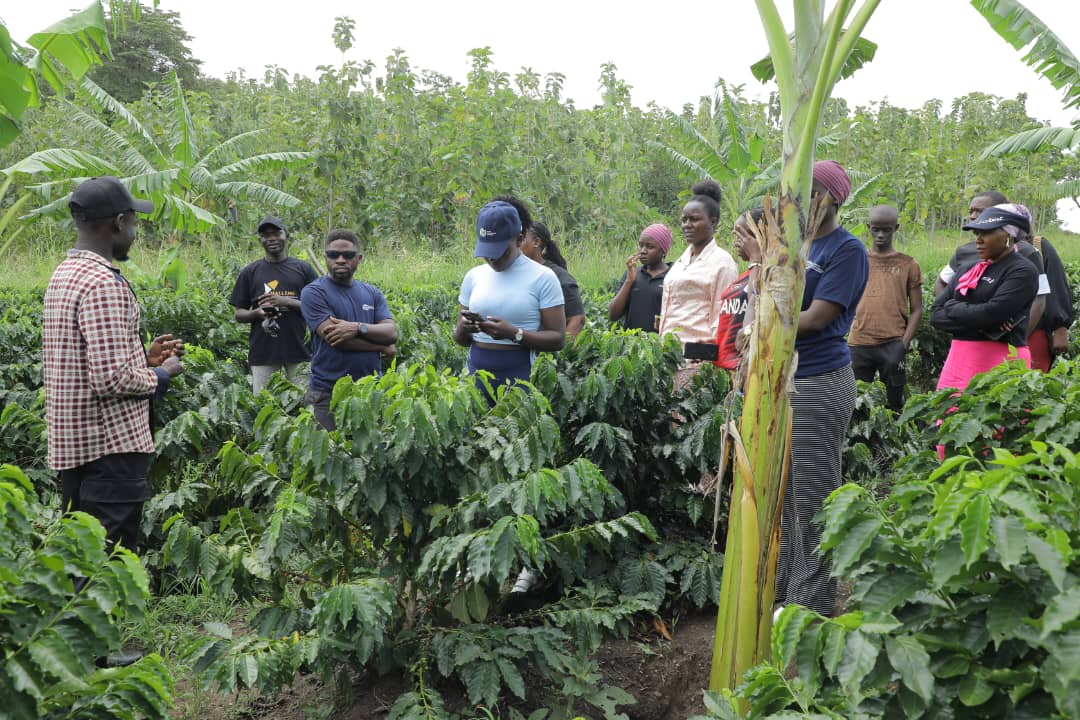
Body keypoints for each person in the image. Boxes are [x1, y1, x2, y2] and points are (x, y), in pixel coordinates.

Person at [44, 176, 185, 556]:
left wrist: (143, 358)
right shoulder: (103, 283)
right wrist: (161, 374)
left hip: (76, 448)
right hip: (111, 450)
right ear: (119, 222)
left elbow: (85, 361)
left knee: (79, 556)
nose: (135, 233)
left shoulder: (63, 275)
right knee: (109, 565)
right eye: (134, 223)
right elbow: (111, 379)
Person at [776, 160, 869, 618]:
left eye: (809, 191)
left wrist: (764, 328)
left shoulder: (847, 250)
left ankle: (810, 606)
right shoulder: (794, 244)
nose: (799, 200)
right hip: (788, 380)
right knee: (787, 494)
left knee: (813, 496)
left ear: (832, 197)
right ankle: (784, 593)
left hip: (819, 381)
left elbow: (816, 317)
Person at [453, 199, 565, 399]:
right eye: (487, 253)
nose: (493, 259)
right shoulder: (474, 277)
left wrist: (515, 334)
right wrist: (463, 329)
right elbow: (459, 339)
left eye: (501, 251)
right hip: (474, 380)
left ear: (519, 239)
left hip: (520, 380)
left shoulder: (543, 278)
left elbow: (557, 339)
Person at [931, 205, 1038, 392]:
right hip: (959, 360)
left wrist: (953, 306)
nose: (978, 240)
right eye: (976, 234)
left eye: (986, 233)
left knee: (999, 419)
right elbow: (935, 316)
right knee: (948, 418)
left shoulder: (1022, 270)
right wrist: (986, 323)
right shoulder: (968, 269)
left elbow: (991, 313)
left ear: (1008, 235)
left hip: (1002, 361)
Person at [300, 229, 396, 430]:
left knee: (367, 455)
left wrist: (356, 327)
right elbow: (337, 339)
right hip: (327, 393)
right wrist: (381, 348)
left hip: (370, 390)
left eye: (348, 255)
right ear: (325, 257)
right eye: (333, 255)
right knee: (326, 454)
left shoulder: (372, 293)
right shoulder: (313, 292)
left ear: (359, 258)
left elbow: (391, 332)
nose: (341, 260)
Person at [934, 192, 1049, 341]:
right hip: (963, 345)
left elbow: (1039, 300)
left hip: (1003, 347)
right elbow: (937, 309)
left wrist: (1015, 336)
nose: (974, 216)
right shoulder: (964, 255)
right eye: (971, 211)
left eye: (981, 211)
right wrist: (986, 325)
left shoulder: (1027, 256)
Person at [659, 180, 738, 387]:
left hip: (697, 362)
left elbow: (723, 317)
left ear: (713, 221)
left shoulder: (722, 263)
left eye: (694, 219)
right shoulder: (681, 261)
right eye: (684, 219)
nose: (687, 225)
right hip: (668, 358)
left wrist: (708, 358)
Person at [229, 216, 318, 393]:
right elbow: (239, 314)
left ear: (287, 236)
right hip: (263, 352)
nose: (271, 238)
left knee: (306, 404)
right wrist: (258, 313)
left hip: (300, 351)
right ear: (260, 240)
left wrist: (286, 302)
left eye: (277, 233)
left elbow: (317, 306)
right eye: (265, 235)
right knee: (264, 405)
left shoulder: (303, 269)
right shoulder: (250, 272)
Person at [847, 205, 923, 412]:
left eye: (886, 230)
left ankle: (892, 441)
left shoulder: (908, 264)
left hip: (893, 343)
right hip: (859, 343)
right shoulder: (858, 260)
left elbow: (917, 309)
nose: (880, 235)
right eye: (876, 229)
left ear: (895, 228)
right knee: (857, 404)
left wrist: (903, 344)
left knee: (894, 403)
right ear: (868, 227)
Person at [713, 209, 765, 375]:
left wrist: (756, 258)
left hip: (746, 372)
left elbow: (756, 306)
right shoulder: (744, 278)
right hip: (725, 372)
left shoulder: (768, 275)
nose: (736, 242)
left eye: (742, 236)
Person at [522, 221, 585, 340]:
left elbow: (577, 319)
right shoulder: (517, 272)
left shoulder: (560, 277)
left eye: (522, 239)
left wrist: (558, 354)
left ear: (536, 242)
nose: (516, 244)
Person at [607, 223, 672, 333]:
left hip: (661, 345)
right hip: (632, 345)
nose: (642, 251)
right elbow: (613, 315)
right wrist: (629, 281)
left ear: (663, 251)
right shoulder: (632, 274)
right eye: (641, 245)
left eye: (650, 247)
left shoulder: (673, 276)